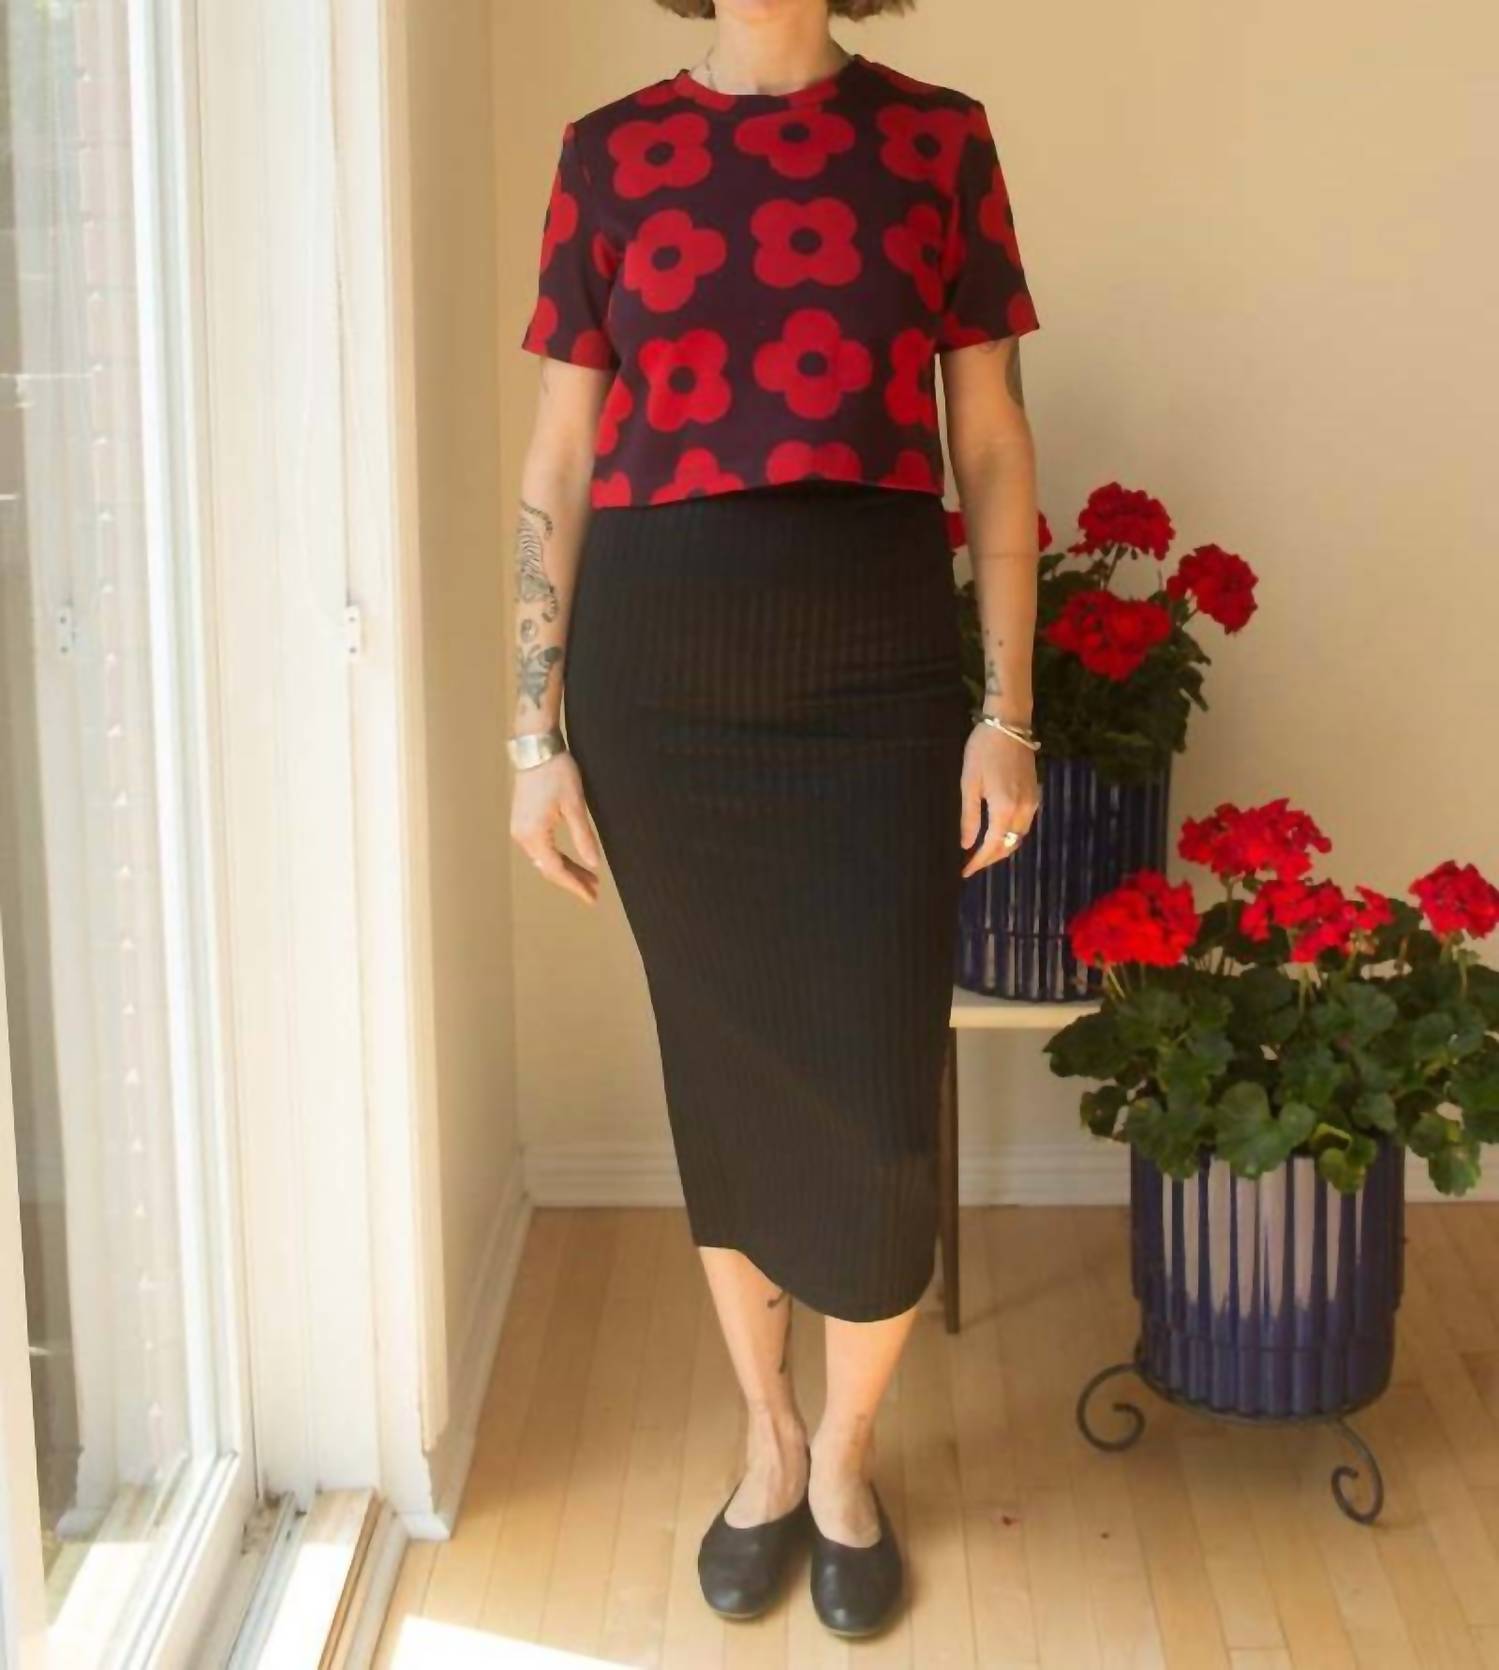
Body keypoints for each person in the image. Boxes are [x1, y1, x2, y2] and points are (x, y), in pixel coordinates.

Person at [509, 0, 1041, 1638]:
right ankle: (770, 1434)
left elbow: (993, 445)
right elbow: (559, 460)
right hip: (661, 681)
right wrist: (532, 733)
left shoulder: (939, 137)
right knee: (722, 1072)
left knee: (880, 1096)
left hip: (877, 667)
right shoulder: (609, 155)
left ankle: (849, 1458)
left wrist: (1009, 710)